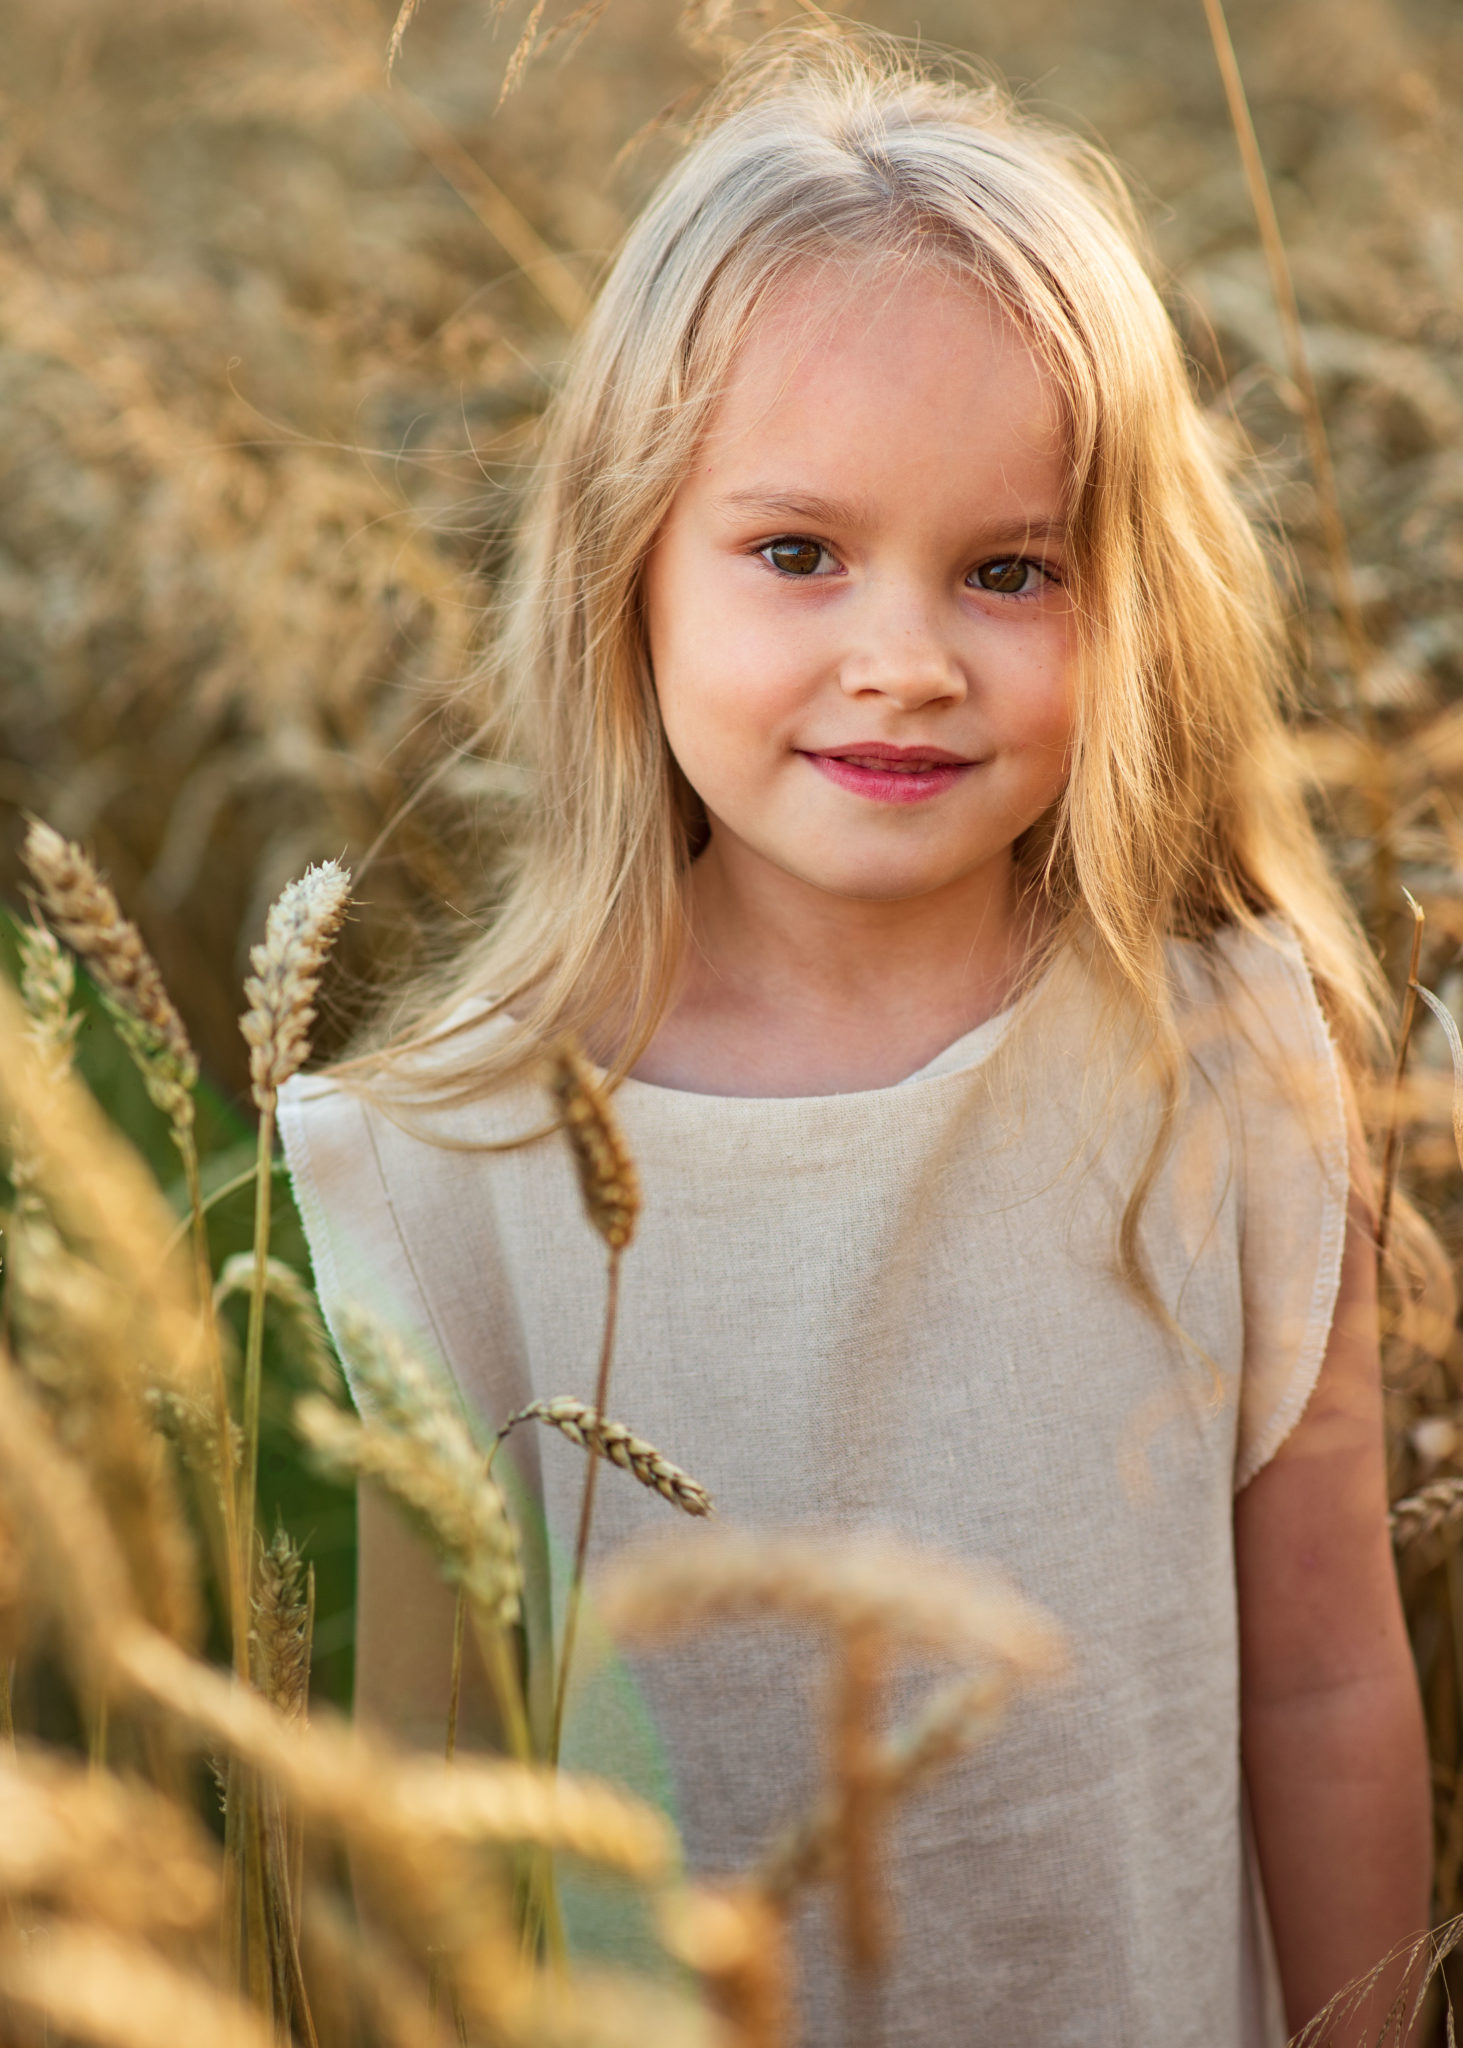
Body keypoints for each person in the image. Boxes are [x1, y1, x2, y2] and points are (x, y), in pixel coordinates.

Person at [280, 33, 1432, 2045]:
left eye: (1011, 570)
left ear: (1128, 604)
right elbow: (399, 1828)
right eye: (797, 552)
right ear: (625, 570)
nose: (902, 659)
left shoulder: (1228, 1068)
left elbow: (1327, 1671)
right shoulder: (441, 1173)